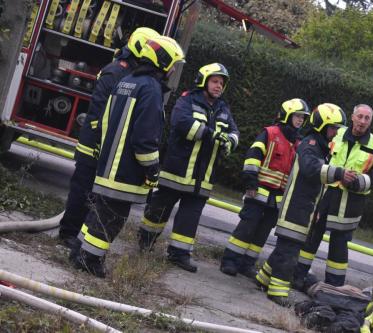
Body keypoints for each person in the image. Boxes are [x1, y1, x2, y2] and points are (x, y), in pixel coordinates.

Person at [70, 36, 186, 278]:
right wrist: (153, 169)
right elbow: (145, 138)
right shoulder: (151, 90)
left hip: (106, 165)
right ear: (162, 61)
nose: (174, 69)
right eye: (173, 63)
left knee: (98, 211)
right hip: (125, 171)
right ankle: (90, 260)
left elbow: (103, 122)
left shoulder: (127, 81)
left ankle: (78, 250)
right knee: (112, 218)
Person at [58, 27, 160, 246]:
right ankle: (67, 234)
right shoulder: (115, 71)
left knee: (95, 196)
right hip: (93, 144)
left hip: (106, 146)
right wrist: (100, 143)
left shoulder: (131, 73)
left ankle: (80, 237)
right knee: (82, 191)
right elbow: (99, 111)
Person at [137, 63, 239, 273]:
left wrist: (230, 141)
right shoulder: (188, 99)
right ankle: (145, 240)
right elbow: (180, 122)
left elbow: (234, 133)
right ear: (203, 80)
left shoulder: (223, 109)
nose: (219, 86)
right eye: (215, 81)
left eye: (221, 83)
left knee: (190, 217)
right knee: (159, 208)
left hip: (202, 177)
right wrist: (211, 134)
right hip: (177, 170)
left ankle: (179, 253)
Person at [255, 103, 347, 306]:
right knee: (289, 252)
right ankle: (277, 291)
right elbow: (310, 168)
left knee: (286, 248)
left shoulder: (321, 147)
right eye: (333, 127)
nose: (335, 132)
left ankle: (263, 278)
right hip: (295, 209)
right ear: (322, 125)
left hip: (304, 210)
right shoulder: (311, 144)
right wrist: (339, 173)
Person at [293, 104, 373, 288]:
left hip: (350, 202)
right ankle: (297, 276)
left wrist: (356, 182)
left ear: (370, 121)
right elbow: (319, 152)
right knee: (311, 237)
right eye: (360, 116)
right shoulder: (337, 132)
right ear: (352, 117)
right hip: (324, 195)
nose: (362, 121)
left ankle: (334, 288)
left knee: (339, 245)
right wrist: (335, 173)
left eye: (367, 118)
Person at [219, 98, 310, 278]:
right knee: (246, 229)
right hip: (258, 192)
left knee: (262, 234)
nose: (300, 120)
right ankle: (230, 261)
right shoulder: (269, 133)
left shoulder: (298, 143)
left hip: (276, 200)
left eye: (303, 117)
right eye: (297, 116)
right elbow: (253, 158)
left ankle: (247, 265)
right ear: (287, 115)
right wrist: (251, 183)